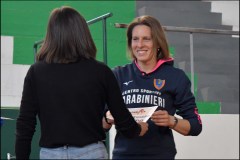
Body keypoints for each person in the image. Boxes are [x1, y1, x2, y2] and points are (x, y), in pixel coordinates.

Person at [15, 6, 148, 160]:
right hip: (91, 152)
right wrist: (138, 129)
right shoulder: (101, 71)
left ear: (51, 34)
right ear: (83, 33)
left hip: (51, 154)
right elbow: (122, 118)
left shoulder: (36, 72)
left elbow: (25, 123)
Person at [103, 15, 202, 159]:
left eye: (146, 39)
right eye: (135, 39)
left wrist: (171, 121)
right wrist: (107, 118)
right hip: (123, 156)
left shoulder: (176, 77)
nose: (140, 44)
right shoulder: (118, 75)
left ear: (157, 43)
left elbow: (196, 126)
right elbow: (99, 126)